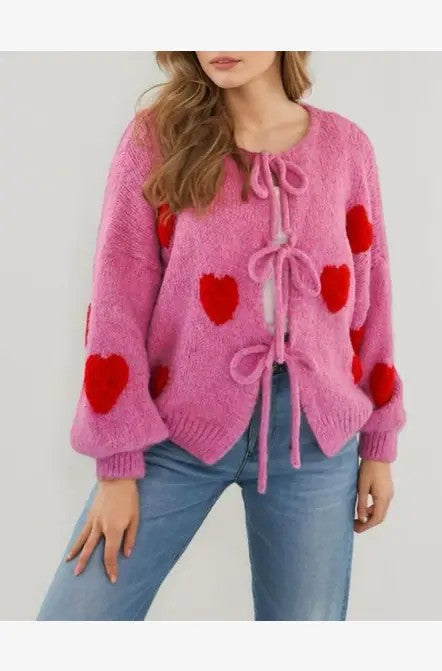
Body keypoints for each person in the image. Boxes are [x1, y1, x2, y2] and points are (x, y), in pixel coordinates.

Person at [37, 51, 406, 621]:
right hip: (175, 431)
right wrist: (117, 466)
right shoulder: (156, 141)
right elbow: (117, 300)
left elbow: (371, 294)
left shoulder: (346, 149)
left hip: (315, 438)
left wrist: (379, 441)